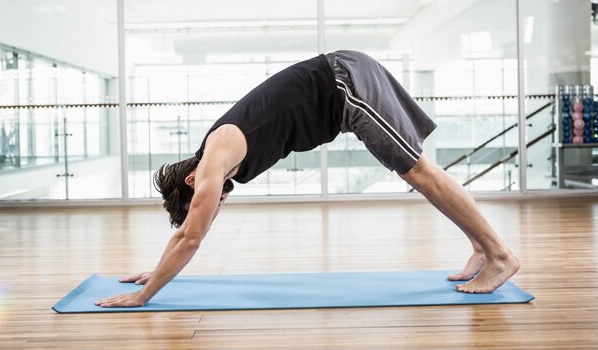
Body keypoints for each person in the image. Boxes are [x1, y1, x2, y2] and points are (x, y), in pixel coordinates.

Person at [95, 50, 520, 308]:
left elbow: (190, 238)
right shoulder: (217, 157)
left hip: (345, 83)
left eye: (203, 205)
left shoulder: (211, 162)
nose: (212, 208)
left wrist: (144, 294)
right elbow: (191, 231)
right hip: (345, 81)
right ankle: (481, 249)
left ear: (190, 184)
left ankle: (499, 255)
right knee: (421, 172)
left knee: (421, 174)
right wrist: (155, 271)